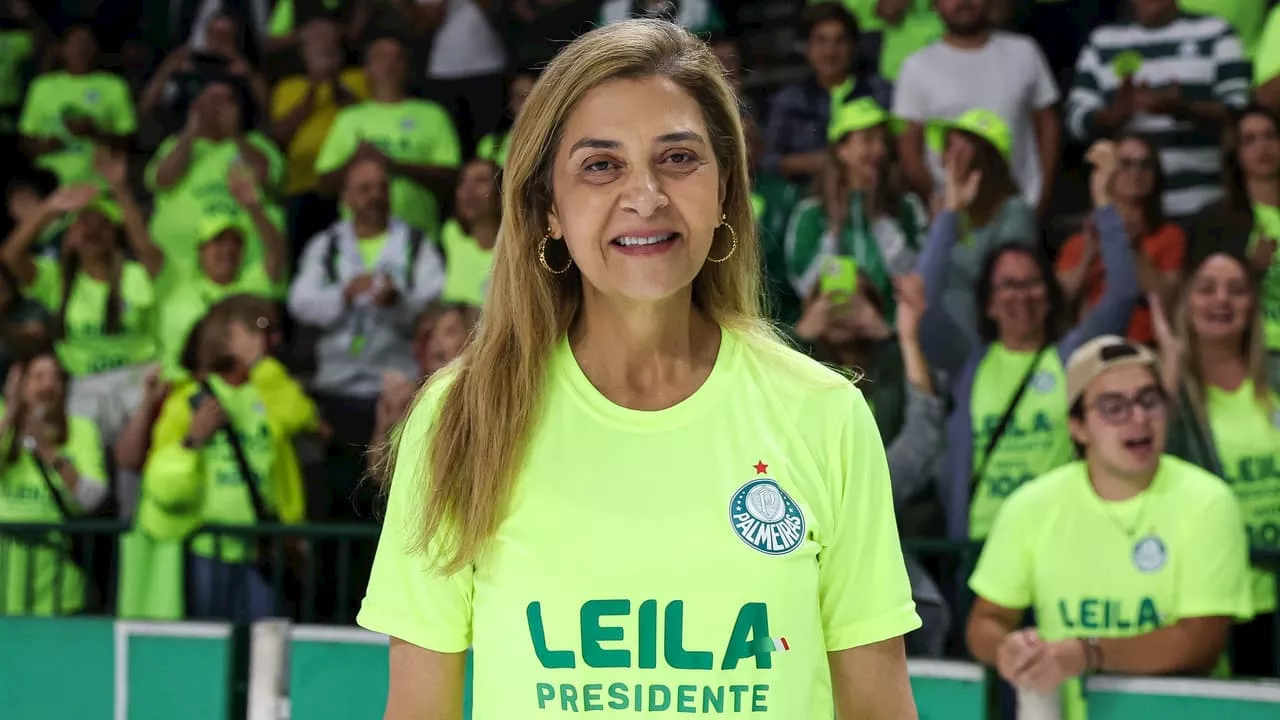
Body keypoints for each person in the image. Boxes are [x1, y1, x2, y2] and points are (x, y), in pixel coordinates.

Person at [359, 19, 920, 718]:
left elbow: (878, 708)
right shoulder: (461, 417)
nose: (646, 194)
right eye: (601, 165)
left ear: (724, 192)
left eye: (678, 158)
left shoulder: (824, 413)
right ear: (548, 210)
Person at [966, 335, 1252, 720]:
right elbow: (986, 621)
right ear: (1078, 427)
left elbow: (1200, 643)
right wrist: (1009, 650)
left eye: (1149, 400)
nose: (1138, 418)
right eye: (1113, 407)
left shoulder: (1208, 501)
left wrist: (1087, 654)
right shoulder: (1031, 506)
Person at [918, 141, 1140, 541]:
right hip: (980, 548)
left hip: (1060, 540)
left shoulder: (1073, 356)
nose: (1021, 295)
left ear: (1049, 292)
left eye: (1033, 283)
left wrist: (1105, 203)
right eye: (1008, 285)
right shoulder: (969, 361)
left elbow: (1123, 293)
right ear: (988, 302)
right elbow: (922, 305)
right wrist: (950, 214)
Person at [794, 271, 950, 656]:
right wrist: (800, 335)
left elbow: (925, 433)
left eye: (858, 298)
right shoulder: (795, 379)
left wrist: (898, 336)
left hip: (899, 544)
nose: (843, 309)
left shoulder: (894, 365)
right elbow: (761, 406)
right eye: (828, 300)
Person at [135, 295, 315, 622]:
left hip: (262, 548)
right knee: (208, 652)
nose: (270, 338)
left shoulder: (269, 388)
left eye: (273, 330)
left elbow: (300, 417)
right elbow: (161, 479)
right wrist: (193, 439)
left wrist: (260, 365)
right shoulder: (188, 399)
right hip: (207, 547)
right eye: (259, 327)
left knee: (265, 652)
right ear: (227, 333)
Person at [1156, 250, 1280, 677]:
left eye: (1237, 290)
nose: (1221, 301)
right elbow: (1147, 464)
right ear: (1187, 302)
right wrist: (1168, 372)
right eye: (1207, 289)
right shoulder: (1166, 388)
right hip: (1221, 597)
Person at [0, 173, 160, 444]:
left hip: (138, 378)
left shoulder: (136, 274)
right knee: (84, 462)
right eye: (83, 223)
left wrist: (120, 189)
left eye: (101, 224)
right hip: (84, 384)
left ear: (114, 234)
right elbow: (11, 256)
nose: (92, 230)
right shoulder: (57, 280)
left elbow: (147, 250)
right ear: (71, 236)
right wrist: (49, 208)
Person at [1066, 0, 1250, 221]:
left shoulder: (1216, 32)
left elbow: (1242, 111)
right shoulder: (1103, 42)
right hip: (1128, 213)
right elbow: (1074, 122)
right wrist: (1115, 115)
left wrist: (1184, 109)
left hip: (1203, 204)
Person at [892, 0, 1060, 214]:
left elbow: (1047, 124)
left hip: (1021, 209)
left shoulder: (1025, 52)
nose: (963, 2)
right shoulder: (916, 67)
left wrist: (1041, 196)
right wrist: (941, 203)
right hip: (951, 217)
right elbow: (909, 151)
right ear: (935, 4)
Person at [785, 97, 925, 317]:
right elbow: (805, 287)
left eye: (883, 141)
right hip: (833, 334)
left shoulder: (907, 207)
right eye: (868, 140)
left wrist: (879, 219)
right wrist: (833, 232)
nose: (880, 150)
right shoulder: (810, 213)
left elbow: (914, 277)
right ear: (842, 150)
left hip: (892, 335)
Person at [147, 80, 287, 296]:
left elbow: (267, 176)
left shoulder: (256, 144)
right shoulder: (176, 145)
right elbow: (162, 180)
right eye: (211, 100)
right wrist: (191, 132)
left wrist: (235, 136)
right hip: (180, 279)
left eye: (227, 101)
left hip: (248, 277)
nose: (218, 107)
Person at [315, 34, 461, 239]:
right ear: (366, 70)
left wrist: (394, 165)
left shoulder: (433, 114)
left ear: (407, 68)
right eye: (382, 57)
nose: (390, 64)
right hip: (357, 245)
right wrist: (355, 161)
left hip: (419, 241)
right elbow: (324, 185)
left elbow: (451, 178)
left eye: (398, 58)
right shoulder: (349, 118)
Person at [916, 110, 1036, 358]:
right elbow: (922, 285)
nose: (948, 160)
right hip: (935, 340)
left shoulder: (1015, 213)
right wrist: (946, 222)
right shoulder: (946, 213)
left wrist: (948, 227)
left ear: (986, 162)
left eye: (961, 152)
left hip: (984, 347)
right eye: (948, 149)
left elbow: (995, 282)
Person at [0, 347, 108, 616]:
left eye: (56, 378)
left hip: (58, 586)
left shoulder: (81, 429)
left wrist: (48, 450)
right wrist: (10, 417)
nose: (48, 386)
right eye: (38, 377)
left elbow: (92, 498)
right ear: (18, 382)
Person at [1056, 132, 1185, 345]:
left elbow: (1167, 300)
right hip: (1091, 348)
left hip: (1148, 345)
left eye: (1145, 165)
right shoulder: (1080, 242)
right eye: (1126, 164)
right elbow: (1059, 302)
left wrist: (1134, 250)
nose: (1136, 173)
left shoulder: (1168, 236)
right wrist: (1089, 254)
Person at [270, 17, 369, 251]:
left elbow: (369, 119)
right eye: (318, 47)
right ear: (304, 53)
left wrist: (336, 87)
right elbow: (279, 137)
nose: (326, 52)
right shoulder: (288, 87)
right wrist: (312, 93)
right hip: (302, 185)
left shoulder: (357, 79)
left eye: (331, 47)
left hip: (347, 182)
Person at [1189, 106, 1280, 360]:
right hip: (1251, 352)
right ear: (1237, 153)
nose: (1263, 147)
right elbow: (1199, 294)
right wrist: (1252, 269)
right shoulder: (1216, 219)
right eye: (1249, 140)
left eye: (1270, 136)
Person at [763, 3, 891, 183]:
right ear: (807, 48)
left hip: (870, 193)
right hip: (807, 196)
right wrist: (826, 162)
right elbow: (769, 161)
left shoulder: (878, 92)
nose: (830, 52)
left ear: (853, 47)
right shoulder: (789, 100)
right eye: (821, 41)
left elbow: (893, 152)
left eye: (839, 41)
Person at [18, 25, 135, 185]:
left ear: (96, 48)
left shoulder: (114, 86)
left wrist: (94, 133)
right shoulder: (42, 86)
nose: (81, 50)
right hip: (47, 183)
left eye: (87, 44)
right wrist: (44, 146)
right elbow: (26, 138)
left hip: (97, 184)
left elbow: (128, 141)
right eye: (74, 44)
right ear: (62, 49)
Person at [440, 158, 499, 306]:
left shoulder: (522, 248)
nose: (469, 190)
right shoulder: (450, 235)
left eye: (481, 181)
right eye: (463, 182)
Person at [476, 69, 536, 167]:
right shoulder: (489, 145)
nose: (524, 102)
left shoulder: (555, 138)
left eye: (529, 95)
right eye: (518, 97)